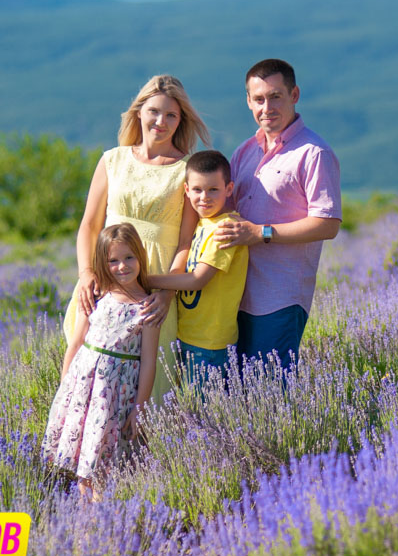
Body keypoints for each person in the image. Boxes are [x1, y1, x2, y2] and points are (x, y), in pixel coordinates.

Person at [63, 74, 209, 402]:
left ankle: (145, 452)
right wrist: (86, 274)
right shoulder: (112, 160)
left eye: (172, 115)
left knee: (149, 383)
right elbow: (89, 225)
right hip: (106, 277)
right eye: (154, 111)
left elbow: (187, 241)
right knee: (92, 372)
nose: (161, 121)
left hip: (156, 290)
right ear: (139, 112)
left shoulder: (187, 169)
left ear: (181, 120)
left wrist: (166, 294)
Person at [214, 58, 341, 368]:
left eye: (275, 96)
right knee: (236, 396)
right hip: (235, 295)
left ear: (294, 95)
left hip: (280, 298)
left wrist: (261, 233)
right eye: (259, 99)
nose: (266, 107)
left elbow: (327, 224)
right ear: (248, 101)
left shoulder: (313, 153)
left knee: (268, 397)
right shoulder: (245, 151)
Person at [43, 223, 161, 500]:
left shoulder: (147, 307)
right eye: (113, 261)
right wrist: (65, 388)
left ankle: (100, 520)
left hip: (115, 396)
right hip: (83, 390)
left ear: (140, 257)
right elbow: (75, 343)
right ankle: (85, 518)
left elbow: (148, 363)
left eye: (129, 257)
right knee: (83, 459)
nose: (122, 266)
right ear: (103, 263)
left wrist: (139, 408)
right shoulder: (97, 295)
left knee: (103, 461)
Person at [146, 150, 248, 392]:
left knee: (202, 417)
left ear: (229, 189)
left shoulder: (227, 227)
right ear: (186, 190)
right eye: (198, 190)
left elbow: (197, 280)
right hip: (188, 336)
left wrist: (144, 279)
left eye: (214, 189)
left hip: (211, 342)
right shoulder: (203, 224)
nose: (204, 197)